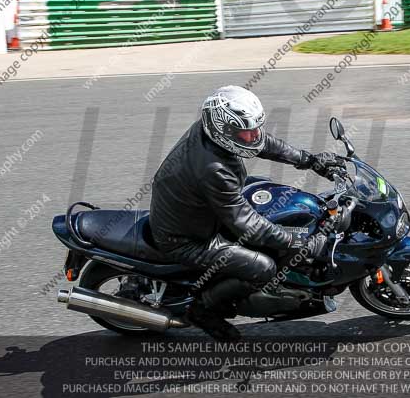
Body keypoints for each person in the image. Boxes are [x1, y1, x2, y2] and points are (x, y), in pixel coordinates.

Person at [148, 86, 345, 341]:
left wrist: (308, 160)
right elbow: (246, 225)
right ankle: (202, 310)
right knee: (264, 267)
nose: (253, 136)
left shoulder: (212, 129)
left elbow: (260, 142)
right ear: (224, 130)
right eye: (246, 131)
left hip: (201, 210)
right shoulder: (213, 169)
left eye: (255, 128)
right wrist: (299, 242)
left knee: (271, 199)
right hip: (188, 239)